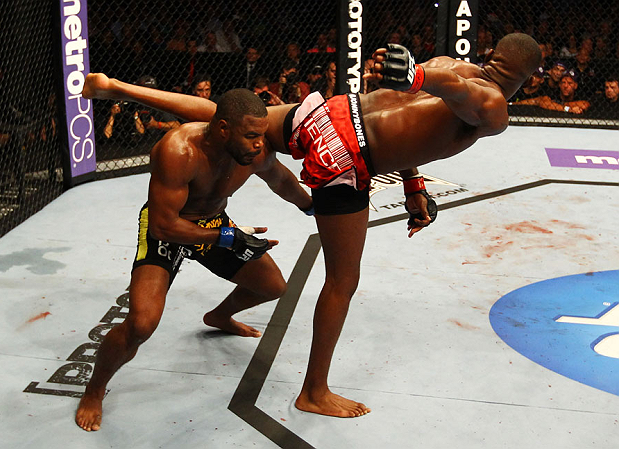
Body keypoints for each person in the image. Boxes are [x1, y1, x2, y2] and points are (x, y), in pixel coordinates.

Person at [81, 32, 541, 419]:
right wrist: (420, 76)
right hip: (347, 157)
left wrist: (414, 181)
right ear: (529, 76)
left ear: (493, 55)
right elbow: (462, 95)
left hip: (331, 113)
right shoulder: (494, 106)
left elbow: (429, 106)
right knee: (342, 280)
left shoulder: (451, 62)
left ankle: (121, 87)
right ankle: (314, 392)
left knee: (232, 119)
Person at [74, 87, 313, 431]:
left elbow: (280, 179)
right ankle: (94, 390)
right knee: (141, 324)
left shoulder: (253, 151)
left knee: (272, 286)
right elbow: (162, 225)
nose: (259, 144)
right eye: (250, 136)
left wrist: (310, 207)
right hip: (169, 228)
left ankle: (219, 316)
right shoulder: (178, 150)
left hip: (214, 223)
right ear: (223, 129)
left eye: (261, 136)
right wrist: (228, 237)